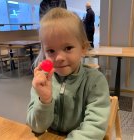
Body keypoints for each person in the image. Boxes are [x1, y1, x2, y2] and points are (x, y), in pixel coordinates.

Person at [26, 8, 110, 140]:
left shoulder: (95, 82)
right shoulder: (42, 81)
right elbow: (36, 126)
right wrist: (45, 100)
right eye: (51, 50)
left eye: (68, 48)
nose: (59, 57)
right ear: (44, 52)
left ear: (83, 48)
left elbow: (94, 127)